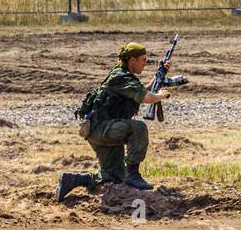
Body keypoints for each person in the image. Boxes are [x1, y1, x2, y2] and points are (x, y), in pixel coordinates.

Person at [57, 42, 174, 201]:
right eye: (143, 60)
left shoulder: (123, 76)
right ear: (132, 60)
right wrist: (160, 96)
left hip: (100, 130)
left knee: (114, 177)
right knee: (138, 128)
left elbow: (139, 91)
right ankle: (133, 174)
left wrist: (159, 74)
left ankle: (73, 180)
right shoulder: (121, 76)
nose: (145, 63)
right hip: (102, 128)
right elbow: (145, 97)